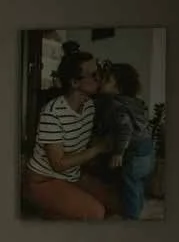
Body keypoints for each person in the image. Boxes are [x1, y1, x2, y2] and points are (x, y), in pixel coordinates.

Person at [24, 46, 115, 219]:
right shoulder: (52, 113)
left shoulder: (88, 106)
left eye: (99, 73)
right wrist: (96, 149)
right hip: (44, 180)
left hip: (71, 175)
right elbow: (58, 164)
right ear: (74, 83)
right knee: (96, 212)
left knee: (115, 201)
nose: (99, 79)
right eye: (94, 75)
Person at [97, 62, 157, 220]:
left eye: (107, 79)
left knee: (130, 184)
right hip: (148, 152)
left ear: (119, 88)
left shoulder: (117, 105)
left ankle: (131, 219)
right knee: (138, 184)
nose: (102, 81)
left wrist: (118, 153)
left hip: (136, 153)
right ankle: (138, 208)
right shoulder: (135, 103)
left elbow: (125, 129)